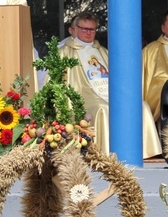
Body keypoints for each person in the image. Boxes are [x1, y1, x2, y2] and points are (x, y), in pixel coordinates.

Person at [58, 12, 162, 158]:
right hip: (85, 96)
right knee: (104, 109)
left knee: (141, 105)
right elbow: (56, 83)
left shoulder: (104, 52)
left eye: (92, 29)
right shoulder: (64, 52)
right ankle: (105, 153)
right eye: (84, 29)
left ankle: (146, 152)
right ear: (74, 29)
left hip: (110, 92)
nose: (88, 33)